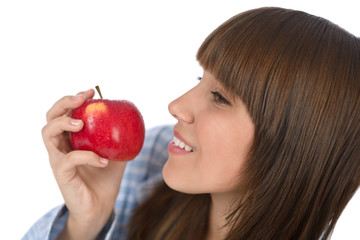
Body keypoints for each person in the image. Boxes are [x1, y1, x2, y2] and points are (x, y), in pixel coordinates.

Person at [24, 7, 360, 240]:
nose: (176, 106)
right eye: (200, 78)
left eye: (219, 97)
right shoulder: (149, 160)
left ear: (294, 143)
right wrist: (85, 225)